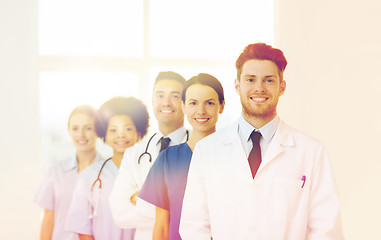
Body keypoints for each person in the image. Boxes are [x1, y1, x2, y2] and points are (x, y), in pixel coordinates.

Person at [179, 43, 345, 240]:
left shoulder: (311, 152)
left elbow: (326, 230)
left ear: (281, 87)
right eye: (250, 79)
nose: (259, 88)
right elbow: (194, 227)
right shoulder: (207, 151)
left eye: (268, 80)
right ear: (237, 85)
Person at [138, 73, 225, 240]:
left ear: (221, 106)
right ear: (183, 106)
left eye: (209, 103)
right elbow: (162, 226)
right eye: (193, 103)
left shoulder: (234, 157)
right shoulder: (168, 160)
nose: (201, 111)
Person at [109, 71, 188, 240]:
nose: (166, 102)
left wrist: (143, 200)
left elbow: (202, 209)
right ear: (152, 101)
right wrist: (175, 207)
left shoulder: (198, 148)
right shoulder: (134, 153)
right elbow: (119, 213)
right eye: (160, 95)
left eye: (174, 96)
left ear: (185, 103)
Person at [65, 97, 149, 240]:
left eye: (128, 128)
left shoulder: (151, 173)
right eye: (113, 130)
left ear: (139, 133)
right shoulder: (89, 177)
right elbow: (83, 229)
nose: (121, 135)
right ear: (105, 134)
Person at [34, 105, 104, 240]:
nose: (81, 135)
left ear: (98, 131)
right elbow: (48, 220)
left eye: (88, 128)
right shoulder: (55, 172)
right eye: (75, 128)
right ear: (69, 131)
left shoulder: (110, 172)